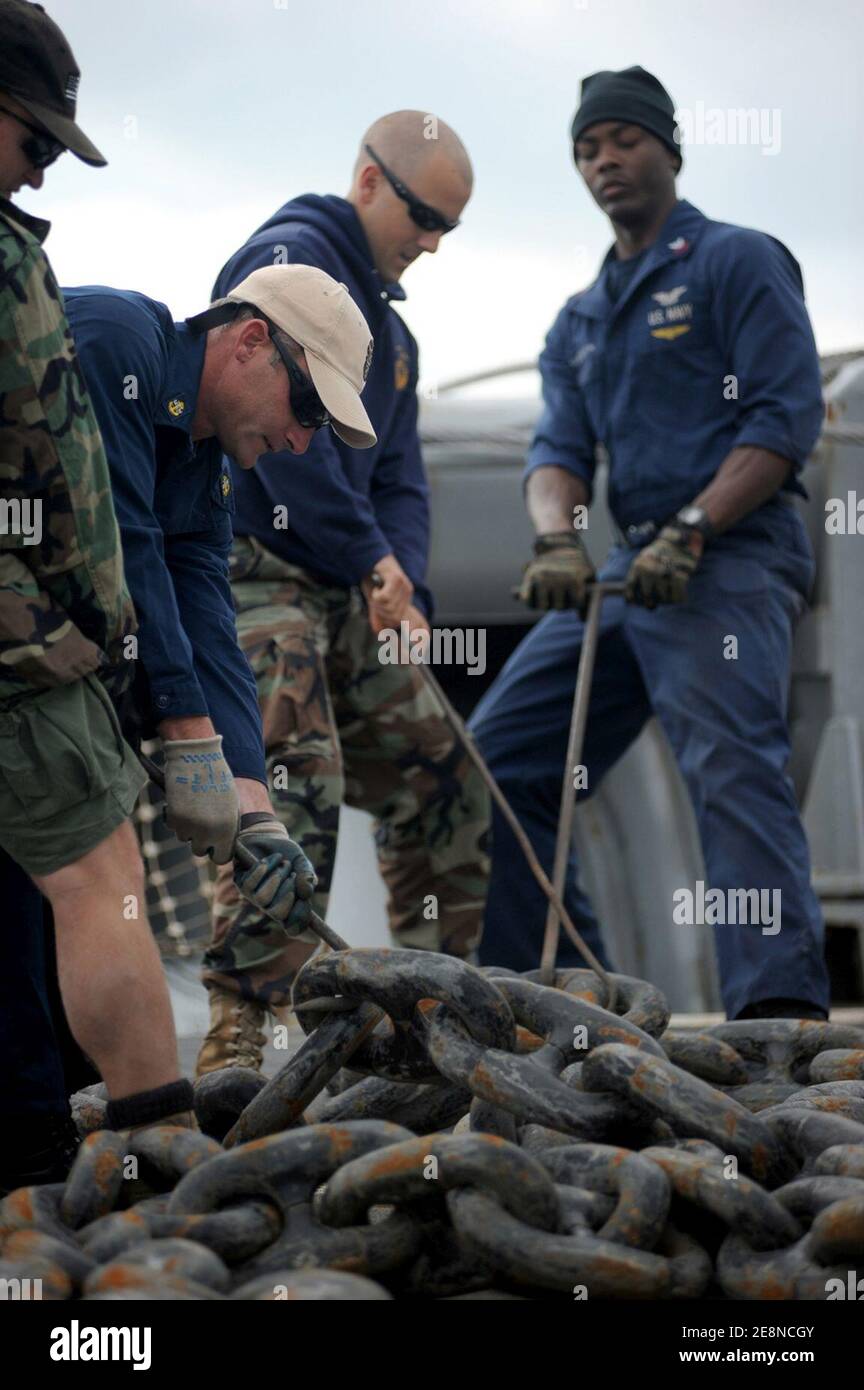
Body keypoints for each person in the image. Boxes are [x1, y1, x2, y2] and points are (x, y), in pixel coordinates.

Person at [469, 66, 830, 1022]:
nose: (604, 162)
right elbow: (556, 450)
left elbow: (786, 419)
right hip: (633, 569)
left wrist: (697, 527)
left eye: (623, 140)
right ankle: (557, 990)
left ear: (669, 148)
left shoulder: (735, 263)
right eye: (587, 149)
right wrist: (556, 538)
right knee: (499, 758)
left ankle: (776, 1017)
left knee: (730, 766)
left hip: (732, 556)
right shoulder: (580, 320)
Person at [195, 111, 489, 1076]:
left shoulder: (391, 336)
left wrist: (405, 584)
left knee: (444, 773)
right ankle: (242, 1030)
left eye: (450, 225)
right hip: (257, 569)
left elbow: (398, 476)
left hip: (347, 582)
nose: (436, 242)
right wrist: (375, 561)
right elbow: (293, 458)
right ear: (369, 183)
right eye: (425, 215)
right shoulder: (290, 266)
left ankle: (437, 1009)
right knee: (292, 775)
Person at [0, 0, 194, 1192]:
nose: (41, 162)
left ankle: (27, 1148)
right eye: (33, 137)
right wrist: (48, 627)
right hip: (25, 652)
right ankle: (162, 1172)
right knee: (100, 878)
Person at [64, 264, 376, 958]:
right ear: (252, 341)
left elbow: (209, 622)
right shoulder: (116, 342)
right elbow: (122, 543)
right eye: (308, 409)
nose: (303, 441)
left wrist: (256, 807)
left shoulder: (207, 472)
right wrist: (189, 733)